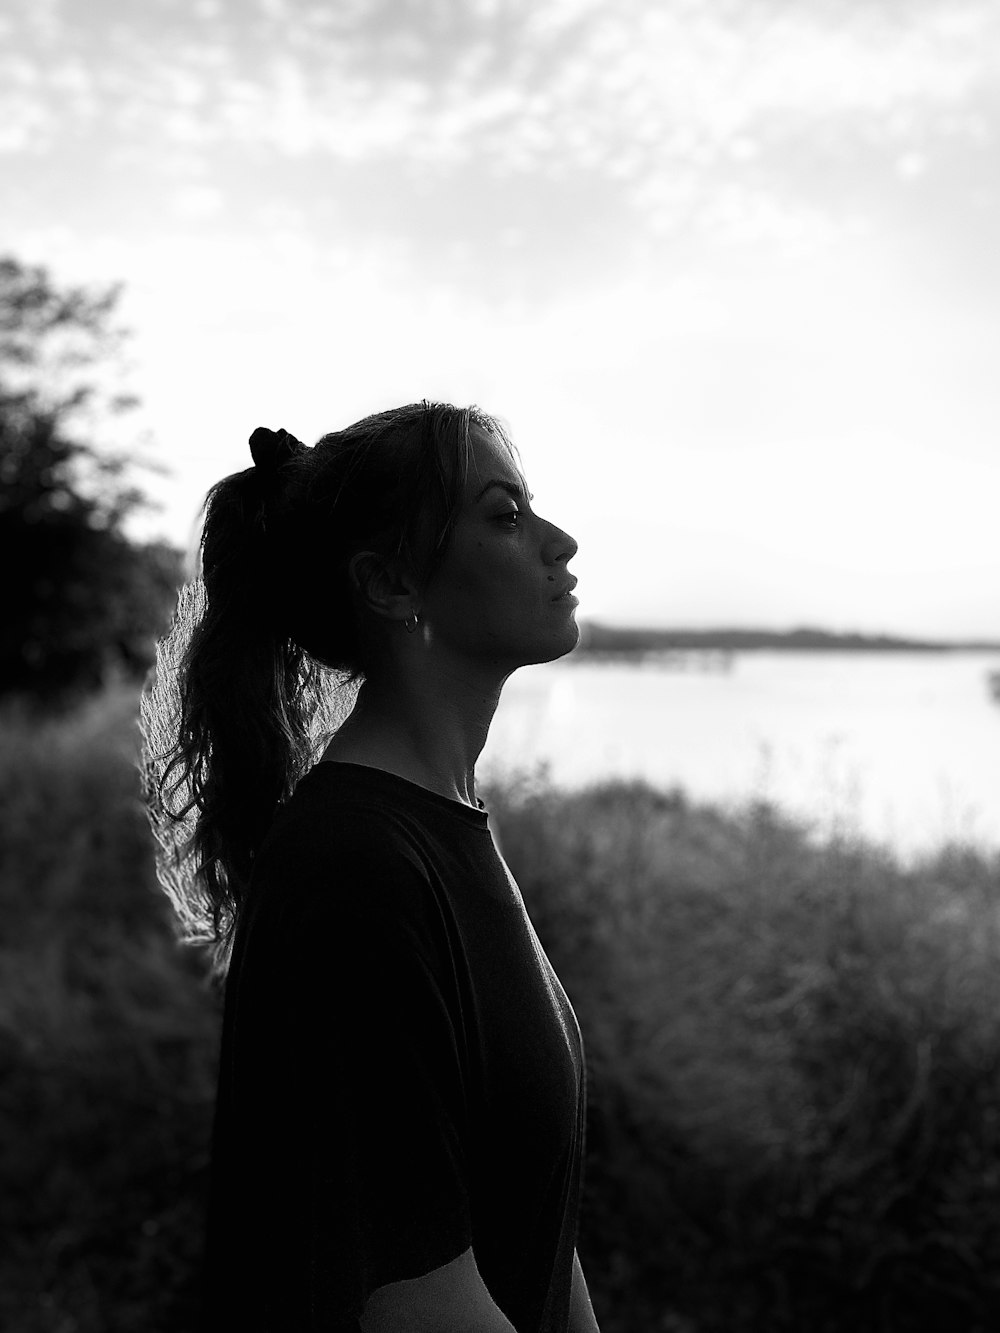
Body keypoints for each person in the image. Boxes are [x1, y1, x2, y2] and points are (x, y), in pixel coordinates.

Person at [141, 401, 600, 1332]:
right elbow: (418, 1301)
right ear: (392, 584)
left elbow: (531, 1223)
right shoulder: (355, 866)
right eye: (505, 516)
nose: (561, 541)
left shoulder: (443, 822)